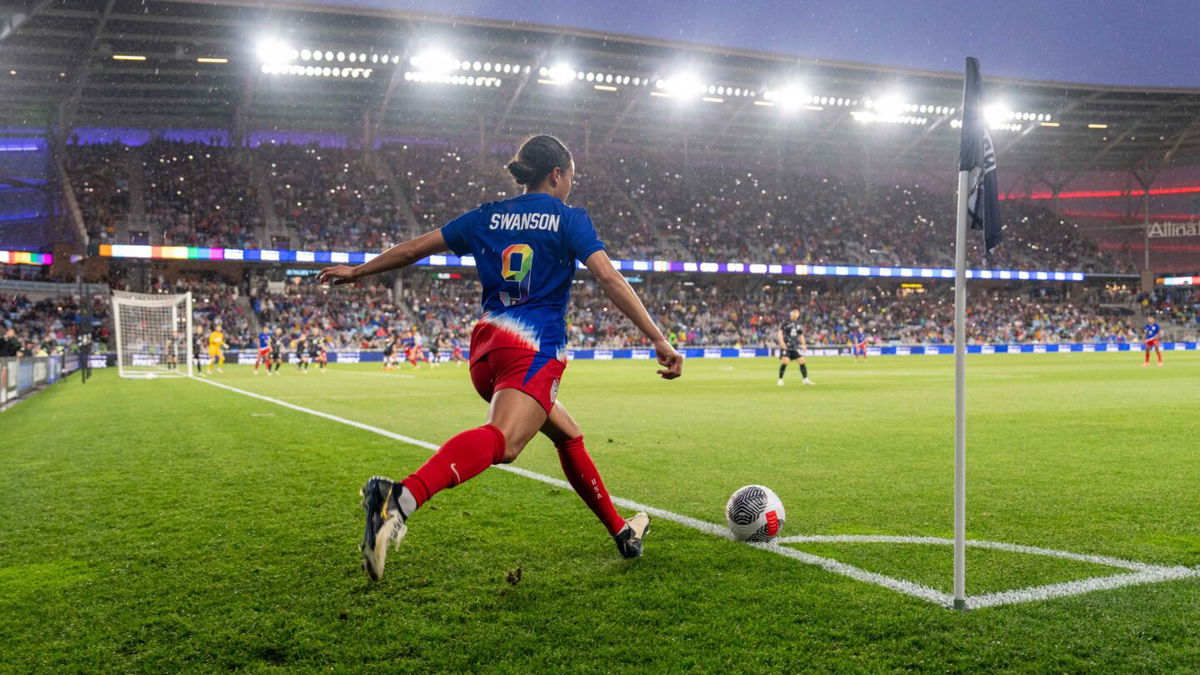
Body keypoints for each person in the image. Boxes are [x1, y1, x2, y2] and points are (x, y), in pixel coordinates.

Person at [318, 133, 683, 581]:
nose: (572, 185)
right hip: (534, 349)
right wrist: (659, 339)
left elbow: (415, 248)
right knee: (506, 443)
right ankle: (398, 498)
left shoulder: (486, 217)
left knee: (568, 435)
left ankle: (622, 532)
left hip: (487, 352)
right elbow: (607, 277)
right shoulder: (570, 219)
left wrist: (358, 270)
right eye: (572, 176)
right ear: (557, 174)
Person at [777, 308, 814, 386]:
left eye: (797, 315)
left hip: (794, 347)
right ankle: (780, 380)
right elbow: (780, 333)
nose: (796, 316)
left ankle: (805, 380)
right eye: (794, 314)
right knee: (785, 361)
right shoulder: (785, 323)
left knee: (802, 361)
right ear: (791, 315)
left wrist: (804, 345)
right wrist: (781, 342)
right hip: (786, 346)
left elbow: (801, 335)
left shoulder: (798, 324)